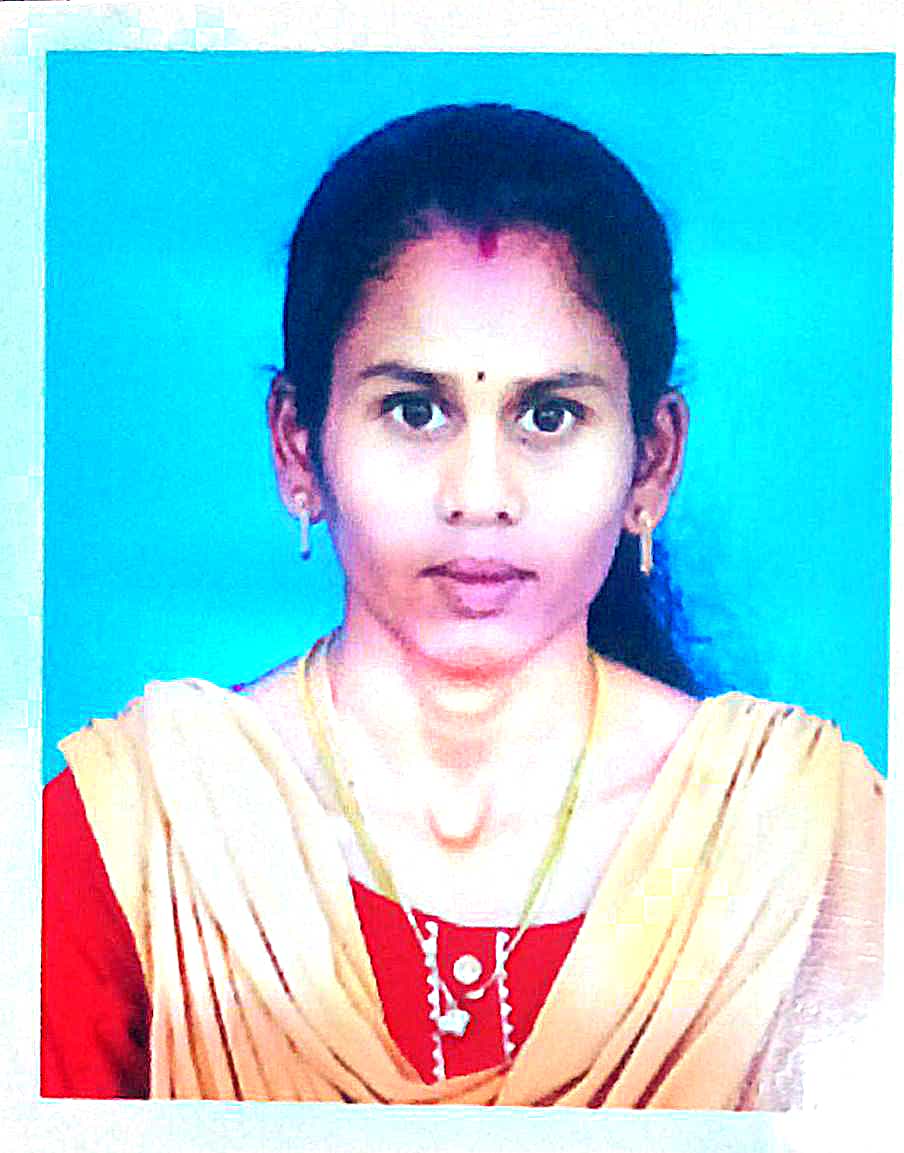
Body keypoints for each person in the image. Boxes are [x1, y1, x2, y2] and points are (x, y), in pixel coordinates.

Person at [41, 102, 884, 1108]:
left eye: (548, 415)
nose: (479, 496)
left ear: (651, 462)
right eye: (414, 410)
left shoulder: (805, 842)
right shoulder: (138, 840)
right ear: (297, 447)